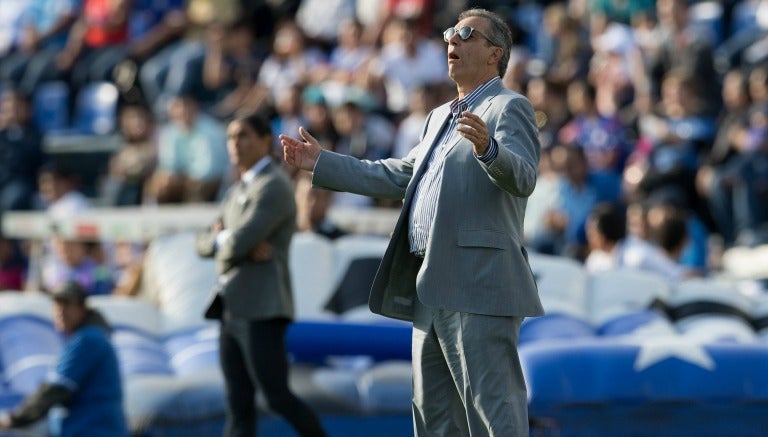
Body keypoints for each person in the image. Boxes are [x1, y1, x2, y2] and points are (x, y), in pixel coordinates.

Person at [281, 8, 543, 436]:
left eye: (465, 34)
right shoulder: (439, 115)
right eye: (448, 34)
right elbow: (397, 174)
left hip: (480, 284)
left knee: (494, 417)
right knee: (433, 420)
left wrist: (489, 150)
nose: (451, 43)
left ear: (495, 53)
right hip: (430, 282)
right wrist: (321, 162)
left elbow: (524, 178)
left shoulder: (509, 107)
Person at [195, 114, 326, 437]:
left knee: (276, 397)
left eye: (243, 136)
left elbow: (239, 240)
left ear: (265, 140)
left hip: (262, 308)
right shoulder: (238, 188)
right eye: (230, 137)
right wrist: (226, 240)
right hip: (231, 307)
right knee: (238, 405)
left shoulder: (274, 186)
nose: (235, 144)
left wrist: (226, 239)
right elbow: (204, 243)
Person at [0, 280, 128, 436]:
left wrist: (14, 419)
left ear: (82, 309)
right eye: (56, 305)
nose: (60, 311)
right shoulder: (91, 337)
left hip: (93, 430)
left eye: (67, 305)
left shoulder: (88, 339)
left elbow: (55, 389)